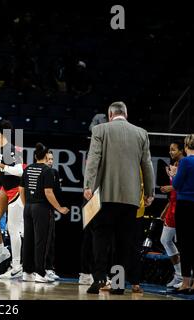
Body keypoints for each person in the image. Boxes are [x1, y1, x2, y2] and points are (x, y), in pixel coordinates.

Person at [83, 101, 154, 294]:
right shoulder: (141, 133)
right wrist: (149, 192)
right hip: (130, 200)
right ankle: (118, 284)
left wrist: (88, 185)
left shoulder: (100, 130)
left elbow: (93, 159)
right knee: (124, 244)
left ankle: (98, 279)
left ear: (110, 114)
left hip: (105, 196)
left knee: (101, 240)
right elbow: (147, 165)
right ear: (126, 114)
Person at [19, 143, 69, 283]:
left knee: (28, 240)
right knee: (41, 241)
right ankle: (40, 273)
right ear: (46, 156)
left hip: (28, 207)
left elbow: (20, 190)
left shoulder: (27, 169)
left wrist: (26, 205)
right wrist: (59, 208)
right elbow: (48, 192)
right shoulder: (47, 171)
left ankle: (27, 273)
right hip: (41, 208)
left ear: (35, 156)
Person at [0, 120, 24, 270]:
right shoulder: (1, 151)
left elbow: (20, 171)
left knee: (13, 229)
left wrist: (0, 164)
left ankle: (17, 266)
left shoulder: (12, 149)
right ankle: (2, 251)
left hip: (16, 189)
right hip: (5, 188)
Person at [169, 134, 194, 294]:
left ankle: (185, 282)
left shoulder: (185, 161)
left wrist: (173, 175)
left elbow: (177, 185)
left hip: (185, 205)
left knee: (185, 245)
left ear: (186, 146)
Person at [159, 141, 184, 289]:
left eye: (173, 150)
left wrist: (172, 184)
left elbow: (183, 187)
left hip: (182, 207)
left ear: (182, 150)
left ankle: (183, 276)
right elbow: (174, 191)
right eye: (170, 150)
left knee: (182, 243)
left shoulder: (185, 165)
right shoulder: (174, 165)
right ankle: (179, 274)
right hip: (172, 207)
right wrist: (166, 207)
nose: (171, 152)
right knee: (165, 240)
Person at [43, 150, 62, 281]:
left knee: (50, 239)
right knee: (40, 241)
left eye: (51, 159)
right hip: (39, 209)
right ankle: (38, 269)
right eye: (48, 159)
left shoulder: (54, 173)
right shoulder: (38, 171)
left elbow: (57, 192)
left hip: (50, 210)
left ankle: (49, 268)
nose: (50, 161)